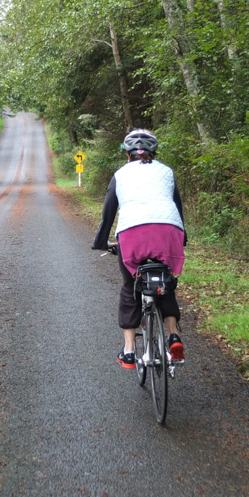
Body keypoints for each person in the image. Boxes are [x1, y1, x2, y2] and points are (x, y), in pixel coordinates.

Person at [91, 128, 186, 369]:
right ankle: (173, 336)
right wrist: (182, 237)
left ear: (128, 154)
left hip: (132, 233)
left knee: (130, 287)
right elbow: (176, 207)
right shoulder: (166, 172)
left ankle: (129, 351)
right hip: (169, 232)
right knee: (165, 284)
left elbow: (108, 213)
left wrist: (101, 242)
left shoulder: (120, 175)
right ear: (154, 152)